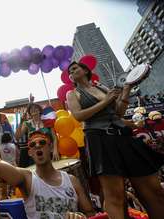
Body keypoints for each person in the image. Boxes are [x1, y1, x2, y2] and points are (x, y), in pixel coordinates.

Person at [66, 61, 164, 219]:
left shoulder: (102, 87)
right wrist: (105, 101)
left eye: (75, 68)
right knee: (116, 196)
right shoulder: (72, 94)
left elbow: (117, 113)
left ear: (85, 70)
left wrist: (126, 90)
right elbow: (78, 116)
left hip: (122, 136)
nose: (72, 71)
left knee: (153, 190)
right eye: (70, 71)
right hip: (99, 140)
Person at [0, 129, 96, 219]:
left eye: (42, 143)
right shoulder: (27, 178)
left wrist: (80, 216)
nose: (37, 146)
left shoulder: (71, 181)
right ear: (30, 153)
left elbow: (90, 212)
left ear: (50, 148)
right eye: (32, 145)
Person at [15, 103, 59, 168]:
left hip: (48, 152)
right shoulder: (27, 124)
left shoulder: (47, 121)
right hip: (35, 155)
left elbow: (54, 138)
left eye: (35, 108)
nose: (34, 110)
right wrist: (21, 122)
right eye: (31, 109)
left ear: (39, 110)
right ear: (29, 112)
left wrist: (55, 150)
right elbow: (17, 137)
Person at [0, 132, 19, 200]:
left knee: (3, 188)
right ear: (10, 138)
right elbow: (17, 156)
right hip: (13, 166)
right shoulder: (14, 146)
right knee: (14, 188)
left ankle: (4, 201)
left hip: (3, 167)